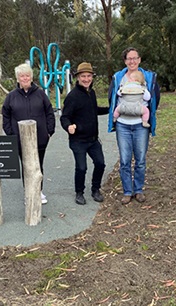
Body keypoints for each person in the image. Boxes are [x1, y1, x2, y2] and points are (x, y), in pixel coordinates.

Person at [108, 47, 160, 205]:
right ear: (125, 61)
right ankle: (127, 191)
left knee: (140, 159)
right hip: (123, 124)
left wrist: (142, 112)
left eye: (134, 58)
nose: (132, 61)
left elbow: (154, 97)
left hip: (140, 125)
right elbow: (112, 97)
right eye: (129, 59)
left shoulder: (147, 76)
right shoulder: (118, 77)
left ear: (139, 59)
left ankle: (138, 189)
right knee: (124, 160)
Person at [2, 63, 55, 204]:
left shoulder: (40, 94)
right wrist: (10, 134)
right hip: (20, 139)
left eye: (27, 75)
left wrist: (49, 131)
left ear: (31, 77)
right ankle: (29, 192)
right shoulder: (11, 97)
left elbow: (49, 112)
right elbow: (5, 116)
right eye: (21, 76)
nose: (24, 78)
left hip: (40, 138)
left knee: (38, 165)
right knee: (26, 166)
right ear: (17, 78)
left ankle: (38, 191)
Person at [60, 62, 109, 205]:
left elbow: (94, 110)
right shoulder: (73, 96)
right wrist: (68, 126)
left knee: (100, 164)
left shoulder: (91, 93)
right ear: (78, 77)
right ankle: (79, 192)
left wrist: (110, 109)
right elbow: (65, 117)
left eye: (88, 76)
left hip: (93, 139)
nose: (86, 79)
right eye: (83, 76)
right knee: (82, 167)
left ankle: (95, 189)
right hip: (78, 141)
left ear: (92, 77)